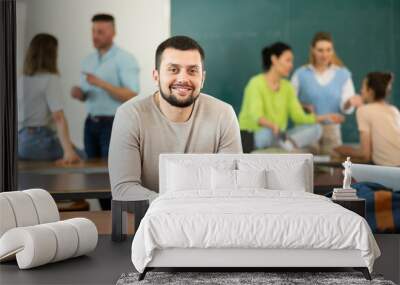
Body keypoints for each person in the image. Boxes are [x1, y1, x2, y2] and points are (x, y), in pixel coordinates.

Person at [109, 36, 242, 201]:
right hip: (149, 220)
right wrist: (178, 206)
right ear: (156, 76)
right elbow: (124, 189)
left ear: (203, 78)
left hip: (207, 219)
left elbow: (230, 184)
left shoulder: (224, 114)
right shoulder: (130, 115)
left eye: (192, 71)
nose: (183, 79)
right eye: (173, 69)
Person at [238, 42, 342, 151]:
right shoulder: (255, 83)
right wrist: (273, 126)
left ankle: (284, 145)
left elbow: (299, 116)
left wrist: (326, 117)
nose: (291, 65)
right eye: (288, 60)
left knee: (317, 129)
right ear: (274, 59)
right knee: (267, 134)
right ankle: (285, 145)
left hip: (279, 135)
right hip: (255, 134)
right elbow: (257, 116)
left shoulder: (287, 87)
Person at [71, 13, 140, 159]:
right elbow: (87, 95)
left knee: (110, 172)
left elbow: (132, 95)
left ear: (113, 33)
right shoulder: (87, 60)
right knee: (89, 174)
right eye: (93, 31)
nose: (95, 36)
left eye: (100, 32)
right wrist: (80, 94)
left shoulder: (125, 59)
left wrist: (101, 83)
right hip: (90, 123)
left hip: (113, 124)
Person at [291, 32, 363, 154]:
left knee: (333, 170)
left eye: (328, 50)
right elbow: (289, 102)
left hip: (332, 132)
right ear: (313, 50)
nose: (325, 55)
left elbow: (345, 107)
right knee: (304, 168)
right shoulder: (300, 74)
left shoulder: (343, 74)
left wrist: (349, 103)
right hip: (306, 129)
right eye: (320, 50)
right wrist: (303, 106)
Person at [18, 33, 81, 164]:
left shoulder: (21, 79)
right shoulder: (50, 79)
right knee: (82, 155)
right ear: (51, 55)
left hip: (19, 141)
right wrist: (68, 151)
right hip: (39, 140)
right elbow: (58, 117)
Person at [334, 72, 400, 166]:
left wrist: (343, 150)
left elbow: (365, 155)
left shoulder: (363, 110)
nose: (361, 91)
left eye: (363, 87)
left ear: (371, 91)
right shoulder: (394, 110)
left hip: (392, 170)